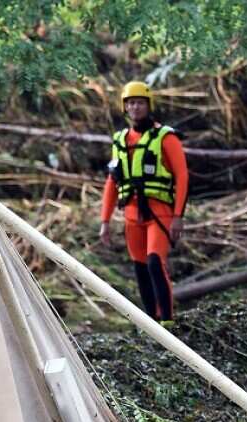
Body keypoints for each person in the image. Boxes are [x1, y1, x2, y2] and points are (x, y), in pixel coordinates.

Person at [99, 80, 188, 324]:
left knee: (154, 262)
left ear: (148, 105)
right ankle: (151, 322)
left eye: (139, 103)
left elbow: (182, 176)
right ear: (125, 107)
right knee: (139, 268)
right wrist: (105, 221)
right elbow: (111, 182)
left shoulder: (165, 137)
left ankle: (167, 322)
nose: (135, 107)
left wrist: (179, 216)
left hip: (159, 213)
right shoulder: (120, 140)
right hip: (131, 215)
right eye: (130, 103)